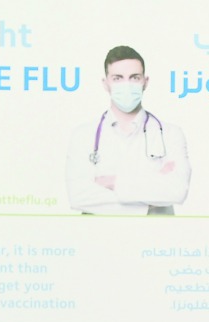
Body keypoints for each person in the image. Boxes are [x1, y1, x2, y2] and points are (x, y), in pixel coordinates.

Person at [65, 45, 191, 215]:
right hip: (99, 237)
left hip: (155, 237)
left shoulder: (170, 134)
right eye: (118, 78)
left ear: (145, 82)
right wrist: (149, 203)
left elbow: (176, 191)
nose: (127, 85)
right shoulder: (83, 135)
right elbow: (79, 197)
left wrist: (113, 182)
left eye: (134, 77)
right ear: (106, 83)